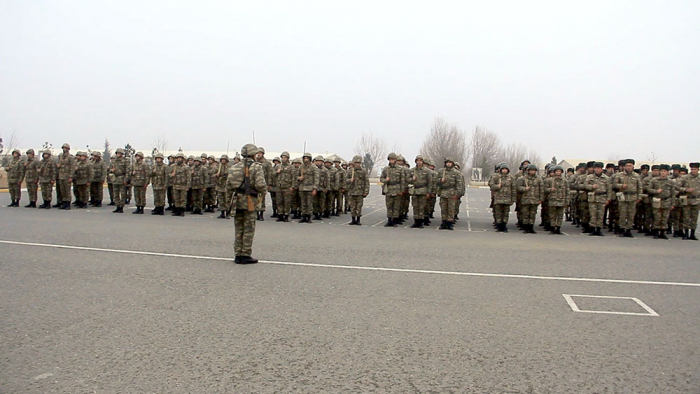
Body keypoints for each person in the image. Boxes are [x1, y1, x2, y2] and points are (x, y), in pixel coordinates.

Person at [228, 144, 267, 264]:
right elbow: (260, 185)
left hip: (237, 201)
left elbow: (229, 185)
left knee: (239, 228)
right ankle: (245, 254)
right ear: (253, 154)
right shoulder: (256, 167)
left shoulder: (234, 167)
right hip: (250, 201)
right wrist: (263, 191)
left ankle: (237, 254)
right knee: (248, 229)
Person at [648, 164, 677, 239]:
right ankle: (656, 232)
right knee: (657, 217)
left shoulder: (671, 182)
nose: (663, 173)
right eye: (662, 171)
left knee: (665, 218)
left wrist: (673, 204)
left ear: (667, 172)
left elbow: (673, 193)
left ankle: (662, 232)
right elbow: (649, 189)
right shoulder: (654, 180)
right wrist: (656, 191)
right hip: (657, 201)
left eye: (665, 171)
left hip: (666, 201)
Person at [585, 162, 613, 236]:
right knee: (593, 214)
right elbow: (585, 186)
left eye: (598, 168)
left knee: (601, 214)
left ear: (602, 169)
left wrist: (608, 199)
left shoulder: (606, 178)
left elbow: (609, 189)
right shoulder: (590, 177)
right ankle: (593, 229)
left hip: (602, 197)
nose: (597, 170)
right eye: (595, 168)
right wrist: (591, 187)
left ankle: (599, 229)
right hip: (593, 197)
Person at [437, 157, 464, 230]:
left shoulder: (456, 172)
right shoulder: (441, 171)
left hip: (452, 192)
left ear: (452, 163)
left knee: (451, 208)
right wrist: (440, 180)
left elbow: (459, 184)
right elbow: (435, 181)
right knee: (443, 208)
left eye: (450, 162)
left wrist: (457, 194)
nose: (448, 164)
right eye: (447, 162)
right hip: (443, 192)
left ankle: (450, 223)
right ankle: (444, 222)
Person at [516, 164, 544, 234]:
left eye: (534, 170)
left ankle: (531, 227)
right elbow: (518, 187)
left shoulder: (539, 179)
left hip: (535, 199)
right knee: (525, 214)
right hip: (525, 199)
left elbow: (541, 190)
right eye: (531, 170)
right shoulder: (522, 178)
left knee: (532, 214)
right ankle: (525, 228)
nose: (532, 172)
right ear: (528, 171)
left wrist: (541, 199)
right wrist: (524, 189)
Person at [381, 152, 406, 227]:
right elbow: (381, 178)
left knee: (396, 206)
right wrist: (386, 180)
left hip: (397, 189)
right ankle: (389, 220)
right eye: (390, 159)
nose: (391, 161)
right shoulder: (386, 169)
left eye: (393, 159)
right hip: (389, 189)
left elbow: (402, 180)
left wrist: (402, 190)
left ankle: (394, 221)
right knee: (389, 205)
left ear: (395, 160)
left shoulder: (400, 169)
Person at [489, 163, 516, 232]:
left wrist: (513, 199)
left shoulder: (511, 178)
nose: (504, 171)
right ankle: (499, 226)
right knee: (498, 213)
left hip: (507, 198)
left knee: (506, 213)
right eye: (503, 169)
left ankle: (504, 226)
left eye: (505, 169)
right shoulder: (496, 177)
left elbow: (513, 189)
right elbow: (491, 185)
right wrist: (497, 186)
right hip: (498, 198)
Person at [408, 155, 433, 228]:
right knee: (415, 206)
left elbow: (430, 182)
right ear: (415, 161)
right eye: (417, 160)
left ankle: (421, 222)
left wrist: (428, 192)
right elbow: (407, 180)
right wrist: (412, 179)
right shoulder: (412, 170)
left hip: (423, 190)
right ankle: (416, 221)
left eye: (420, 160)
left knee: (422, 207)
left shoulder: (427, 171)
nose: (419, 162)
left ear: (422, 161)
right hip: (415, 190)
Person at [544, 165, 569, 234]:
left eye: (559, 171)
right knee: (552, 215)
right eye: (556, 171)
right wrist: (550, 189)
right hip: (552, 200)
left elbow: (567, 191)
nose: (558, 173)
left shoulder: (565, 181)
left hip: (561, 200)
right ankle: (552, 228)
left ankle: (558, 228)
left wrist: (567, 201)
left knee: (560, 215)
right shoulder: (549, 180)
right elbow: (545, 189)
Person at [677, 162, 700, 240]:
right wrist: (686, 189)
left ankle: (692, 234)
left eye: (695, 169)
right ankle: (686, 233)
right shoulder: (685, 178)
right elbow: (677, 187)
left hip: (696, 200)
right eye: (692, 169)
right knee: (686, 217)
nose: (693, 170)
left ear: (698, 169)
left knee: (694, 218)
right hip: (687, 199)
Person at [295, 153, 319, 223]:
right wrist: (299, 178)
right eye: (304, 158)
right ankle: (303, 216)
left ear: (310, 159)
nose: (305, 160)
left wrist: (315, 188)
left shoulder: (314, 167)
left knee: (309, 203)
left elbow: (316, 178)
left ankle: (309, 217)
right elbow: (296, 175)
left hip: (310, 188)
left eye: (307, 158)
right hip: (302, 187)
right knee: (303, 203)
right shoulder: (301, 167)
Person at [346, 155, 370, 225]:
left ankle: (358, 220)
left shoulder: (363, 171)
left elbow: (366, 182)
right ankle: (353, 219)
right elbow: (345, 180)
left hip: (360, 192)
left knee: (359, 206)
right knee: (352, 206)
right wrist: (350, 180)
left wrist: (366, 191)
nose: (357, 164)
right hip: (352, 191)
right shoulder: (350, 171)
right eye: (356, 162)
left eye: (358, 163)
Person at [274, 152, 293, 222]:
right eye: (282, 157)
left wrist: (292, 186)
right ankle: (280, 215)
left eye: (285, 157)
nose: (283, 159)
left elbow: (293, 177)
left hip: (287, 187)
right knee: (279, 201)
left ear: (288, 158)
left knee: (287, 202)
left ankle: (286, 215)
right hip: (279, 186)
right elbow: (272, 175)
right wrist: (277, 172)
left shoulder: (291, 167)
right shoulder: (278, 166)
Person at [109, 148, 129, 213]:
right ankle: (117, 206)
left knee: (123, 194)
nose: (118, 154)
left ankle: (121, 207)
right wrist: (111, 170)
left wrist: (126, 179)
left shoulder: (125, 161)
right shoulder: (114, 161)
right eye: (117, 153)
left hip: (122, 178)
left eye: (120, 153)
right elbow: (110, 169)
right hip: (115, 178)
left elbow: (127, 171)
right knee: (115, 194)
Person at [56, 143, 75, 209]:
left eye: (66, 148)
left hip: (67, 176)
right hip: (61, 175)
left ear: (68, 149)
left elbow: (72, 168)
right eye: (63, 148)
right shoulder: (61, 156)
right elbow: (59, 164)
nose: (64, 149)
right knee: (62, 190)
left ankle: (68, 204)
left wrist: (70, 176)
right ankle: (64, 203)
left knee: (67, 191)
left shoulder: (70, 157)